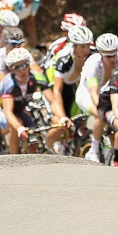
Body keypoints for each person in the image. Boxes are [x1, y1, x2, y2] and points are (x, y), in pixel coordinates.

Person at [76, 33, 118, 162]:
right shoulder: (93, 63)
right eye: (108, 56)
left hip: (106, 94)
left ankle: (112, 146)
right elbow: (93, 93)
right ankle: (94, 150)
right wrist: (104, 109)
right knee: (101, 114)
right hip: (85, 95)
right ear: (101, 54)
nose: (112, 59)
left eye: (114, 54)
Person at [45, 25, 93, 154]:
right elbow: (57, 91)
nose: (86, 50)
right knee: (61, 125)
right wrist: (62, 117)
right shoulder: (64, 59)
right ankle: (46, 149)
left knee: (80, 121)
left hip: (71, 84)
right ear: (74, 46)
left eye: (88, 45)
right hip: (52, 84)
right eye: (82, 47)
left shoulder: (92, 54)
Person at [0, 48, 43, 154]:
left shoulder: (34, 78)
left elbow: (51, 98)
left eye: (24, 65)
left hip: (20, 109)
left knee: (32, 138)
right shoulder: (9, 83)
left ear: (29, 64)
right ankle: (13, 160)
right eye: (17, 67)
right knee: (16, 126)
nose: (22, 70)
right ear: (11, 69)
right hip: (1, 110)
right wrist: (19, 128)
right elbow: (8, 112)